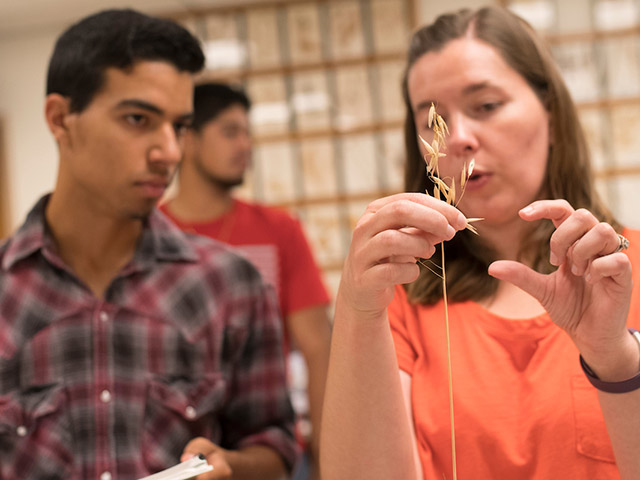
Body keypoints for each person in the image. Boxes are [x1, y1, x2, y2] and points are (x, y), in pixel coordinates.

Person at [320, 6, 640, 480]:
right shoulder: (398, 295)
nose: (460, 138)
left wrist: (614, 358)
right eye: (433, 121)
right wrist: (355, 307)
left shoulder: (622, 272)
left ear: (550, 114)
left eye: (486, 106)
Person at [0, 9, 298, 480]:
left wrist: (230, 467)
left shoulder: (230, 285)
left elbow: (275, 445)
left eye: (179, 126)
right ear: (60, 119)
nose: (170, 153)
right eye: (138, 119)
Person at [160, 82, 332, 480]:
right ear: (187, 139)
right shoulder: (150, 234)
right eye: (230, 131)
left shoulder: (279, 230)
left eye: (247, 132)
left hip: (273, 453)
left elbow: (319, 348)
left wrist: (326, 457)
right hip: (175, 460)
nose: (245, 145)